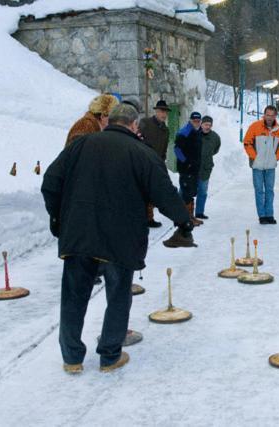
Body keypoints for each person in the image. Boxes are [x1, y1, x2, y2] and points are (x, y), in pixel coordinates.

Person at [41, 104, 194, 374]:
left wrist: (58, 218)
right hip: (120, 238)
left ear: (109, 121)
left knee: (74, 295)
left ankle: (72, 357)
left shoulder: (80, 145)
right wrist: (183, 220)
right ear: (134, 125)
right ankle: (110, 356)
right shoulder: (141, 153)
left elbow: (51, 181)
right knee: (119, 294)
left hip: (78, 234)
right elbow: (164, 192)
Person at [243, 105, 279, 224]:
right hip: (257, 165)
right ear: (264, 115)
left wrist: (276, 157)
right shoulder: (255, 127)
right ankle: (262, 216)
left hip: (271, 166)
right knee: (259, 190)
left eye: (272, 115)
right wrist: (255, 157)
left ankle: (269, 214)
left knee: (269, 190)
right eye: (268, 115)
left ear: (275, 116)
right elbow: (247, 142)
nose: (270, 117)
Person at [139, 100, 171, 228]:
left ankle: (149, 218)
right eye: (161, 111)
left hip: (156, 165)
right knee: (141, 192)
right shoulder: (145, 123)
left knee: (151, 193)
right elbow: (136, 140)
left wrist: (161, 163)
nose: (164, 114)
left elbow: (164, 149)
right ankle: (141, 218)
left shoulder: (166, 130)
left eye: (165, 112)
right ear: (156, 111)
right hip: (142, 162)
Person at [174, 112, 204, 226]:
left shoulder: (198, 132)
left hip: (194, 169)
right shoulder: (185, 132)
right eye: (194, 121)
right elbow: (177, 149)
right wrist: (186, 163)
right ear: (190, 120)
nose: (197, 123)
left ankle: (190, 217)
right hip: (186, 169)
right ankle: (184, 218)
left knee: (190, 192)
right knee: (186, 193)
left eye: (198, 121)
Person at [195, 115, 221, 219]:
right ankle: (183, 212)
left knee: (202, 191)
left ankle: (199, 212)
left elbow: (215, 150)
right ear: (201, 124)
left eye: (210, 125)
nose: (207, 127)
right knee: (186, 191)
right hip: (193, 168)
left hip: (205, 168)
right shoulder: (194, 134)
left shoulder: (215, 137)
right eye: (206, 124)